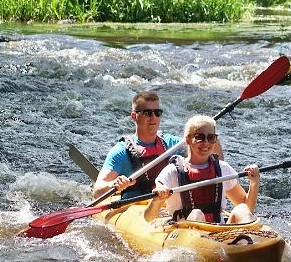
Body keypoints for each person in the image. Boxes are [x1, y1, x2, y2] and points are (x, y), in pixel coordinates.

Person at [93, 91, 222, 200]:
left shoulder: (172, 143)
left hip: (167, 205)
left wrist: (210, 134)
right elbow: (97, 191)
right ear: (134, 116)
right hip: (135, 207)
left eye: (157, 112)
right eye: (148, 113)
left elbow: (216, 163)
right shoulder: (121, 151)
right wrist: (114, 185)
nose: (153, 117)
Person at [144, 115, 259, 224]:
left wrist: (254, 183)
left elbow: (247, 206)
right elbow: (148, 218)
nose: (206, 143)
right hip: (186, 233)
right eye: (200, 137)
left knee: (242, 209)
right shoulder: (172, 171)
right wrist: (157, 199)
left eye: (211, 137)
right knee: (196, 213)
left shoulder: (223, 169)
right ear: (188, 139)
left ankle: (251, 243)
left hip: (219, 232)